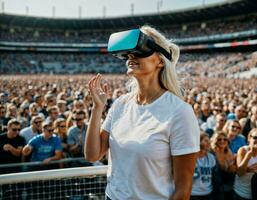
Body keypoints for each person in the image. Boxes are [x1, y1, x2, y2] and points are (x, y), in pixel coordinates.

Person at [85, 26, 200, 199]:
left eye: (140, 50)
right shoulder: (120, 104)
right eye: (128, 53)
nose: (131, 56)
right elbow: (92, 154)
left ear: (160, 61)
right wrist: (97, 108)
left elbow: (183, 191)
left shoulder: (180, 112)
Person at [191, 133, 217, 200]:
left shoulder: (211, 157)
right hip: (193, 194)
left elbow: (214, 176)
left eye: (209, 141)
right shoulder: (190, 157)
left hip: (208, 193)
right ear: (198, 142)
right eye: (205, 140)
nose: (209, 143)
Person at [233, 128, 257, 200]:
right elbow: (239, 172)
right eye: (255, 137)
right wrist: (249, 154)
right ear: (249, 138)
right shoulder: (243, 150)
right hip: (241, 193)